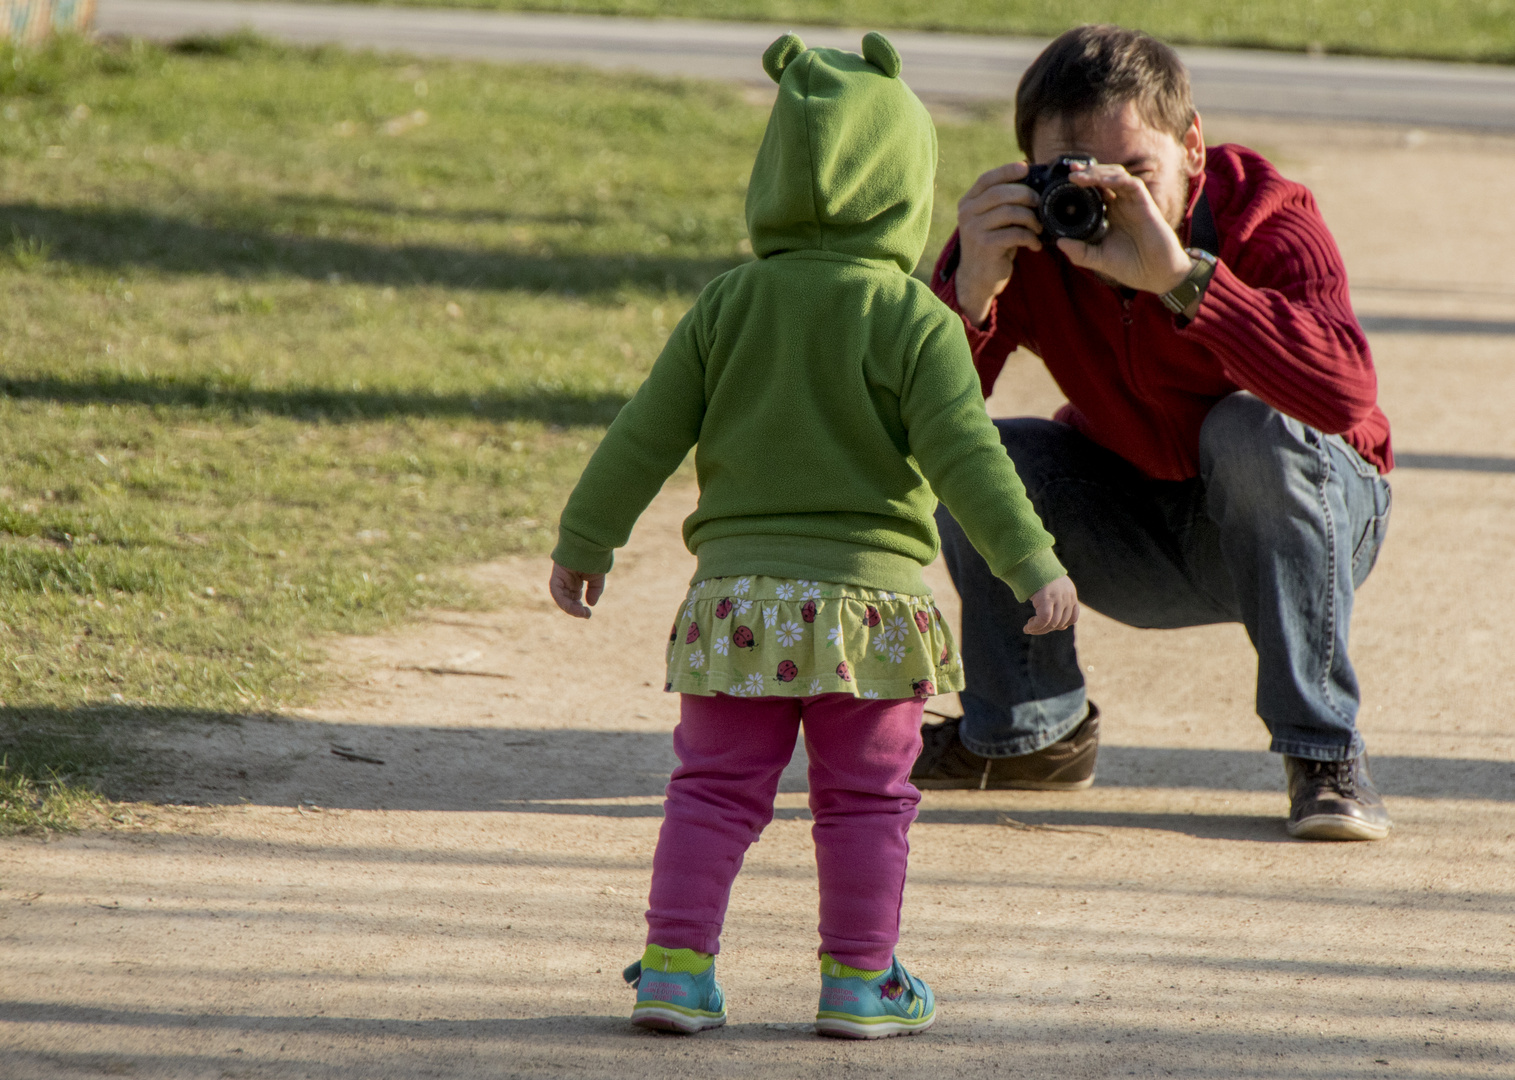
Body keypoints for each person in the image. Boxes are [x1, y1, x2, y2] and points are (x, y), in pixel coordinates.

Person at [548, 32, 1078, 1038]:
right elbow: (970, 458)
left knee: (711, 790)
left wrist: (586, 540)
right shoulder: (915, 319)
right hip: (870, 620)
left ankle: (673, 966)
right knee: (866, 801)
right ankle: (857, 981)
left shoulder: (729, 304)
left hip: (739, 605)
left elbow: (644, 433)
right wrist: (1031, 564)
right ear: (901, 180)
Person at [910, 24, 1394, 842]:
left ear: (1193, 146)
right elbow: (916, 426)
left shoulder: (1264, 214)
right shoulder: (1025, 234)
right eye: (1073, 177)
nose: (1104, 204)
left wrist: (1183, 283)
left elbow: (1342, 395)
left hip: (1310, 522)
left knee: (1250, 427)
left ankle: (1322, 753)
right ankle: (1032, 735)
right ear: (1026, 162)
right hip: (1135, 526)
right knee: (986, 461)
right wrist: (966, 300)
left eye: (1133, 173)